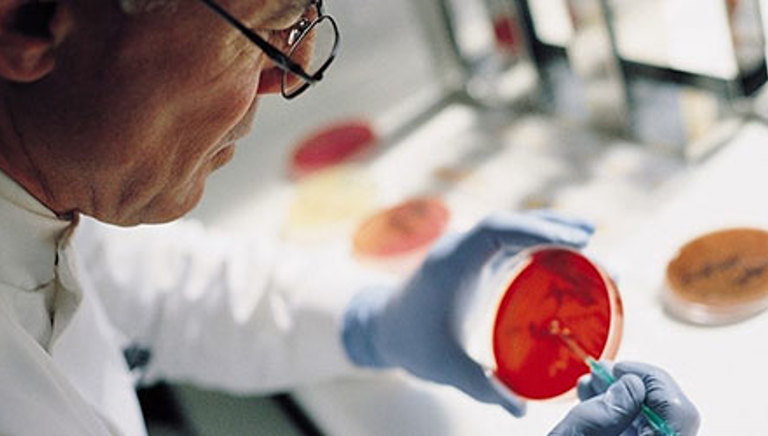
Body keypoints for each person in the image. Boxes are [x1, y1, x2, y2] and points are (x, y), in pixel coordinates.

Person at [0, 0, 699, 434]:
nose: (292, 78)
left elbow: (145, 291)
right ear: (29, 19)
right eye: (271, 27)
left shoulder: (42, 201)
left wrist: (373, 321)